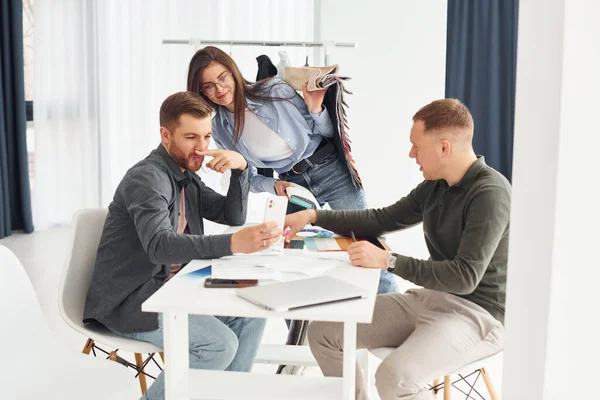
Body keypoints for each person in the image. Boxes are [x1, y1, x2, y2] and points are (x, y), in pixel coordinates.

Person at [284, 99, 511, 400]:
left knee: (394, 378)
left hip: (476, 315)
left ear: (445, 147)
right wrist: (314, 216)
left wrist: (388, 260)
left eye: (417, 146)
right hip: (430, 298)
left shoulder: (490, 193)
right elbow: (380, 219)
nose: (411, 154)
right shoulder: (435, 186)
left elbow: (464, 277)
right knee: (324, 332)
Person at [83, 91, 282, 400]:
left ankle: (226, 395)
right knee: (219, 345)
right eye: (191, 137)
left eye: (206, 137)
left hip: (179, 288)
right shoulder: (148, 179)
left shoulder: (185, 176)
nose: (202, 148)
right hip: (134, 302)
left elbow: (231, 213)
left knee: (252, 311)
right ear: (165, 135)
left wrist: (241, 169)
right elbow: (160, 246)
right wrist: (233, 243)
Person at [186, 45, 398, 295]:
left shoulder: (275, 89)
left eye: (223, 78)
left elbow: (329, 134)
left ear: (233, 71)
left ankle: (395, 306)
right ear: (201, 91)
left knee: (367, 241)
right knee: (289, 257)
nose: (219, 89)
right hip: (293, 188)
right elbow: (248, 175)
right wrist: (273, 186)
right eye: (208, 86)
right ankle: (300, 331)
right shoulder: (219, 127)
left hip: (331, 171)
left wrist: (316, 109)